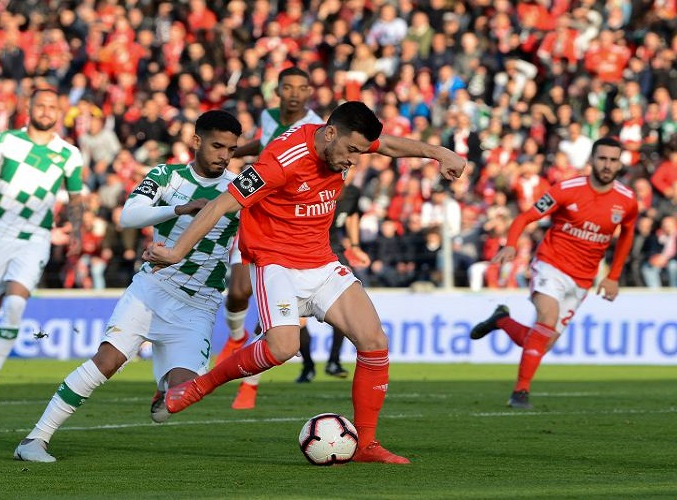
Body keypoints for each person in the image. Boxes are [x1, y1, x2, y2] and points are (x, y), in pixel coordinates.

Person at [145, 101, 465, 464]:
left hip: (320, 261)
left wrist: (439, 153)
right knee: (283, 347)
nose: (354, 160)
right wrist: (176, 253)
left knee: (375, 341)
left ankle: (366, 446)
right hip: (275, 262)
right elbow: (221, 205)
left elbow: (388, 145)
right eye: (351, 151)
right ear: (330, 134)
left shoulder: (343, 139)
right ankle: (197, 387)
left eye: (360, 152)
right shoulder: (281, 160)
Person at [14, 110, 243, 462]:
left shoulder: (238, 191)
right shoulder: (167, 176)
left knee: (182, 395)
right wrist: (180, 208)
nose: (224, 156)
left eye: (230, 149)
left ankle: (164, 386)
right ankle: (35, 440)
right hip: (152, 289)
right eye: (217, 146)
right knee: (107, 361)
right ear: (196, 141)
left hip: (199, 304)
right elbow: (128, 215)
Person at [220, 66, 362, 411]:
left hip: (287, 226)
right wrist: (236, 152)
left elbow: (335, 168)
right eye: (288, 87)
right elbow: (267, 144)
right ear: (278, 91)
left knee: (275, 318)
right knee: (238, 290)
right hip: (257, 210)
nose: (295, 94)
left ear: (309, 92)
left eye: (302, 87)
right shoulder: (269, 117)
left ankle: (249, 386)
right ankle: (236, 338)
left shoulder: (315, 126)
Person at [470, 137, 638, 409]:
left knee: (541, 343)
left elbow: (628, 235)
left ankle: (501, 320)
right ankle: (520, 393)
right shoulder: (567, 189)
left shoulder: (627, 200)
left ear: (620, 163)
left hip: (583, 278)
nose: (607, 165)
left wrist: (614, 275)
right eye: (603, 158)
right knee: (546, 319)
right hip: (552, 264)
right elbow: (525, 218)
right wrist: (511, 245)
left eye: (613, 160)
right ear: (592, 161)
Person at [0, 87, 85, 405]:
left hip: (35, 238)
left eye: (52, 106)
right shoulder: (6, 140)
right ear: (28, 108)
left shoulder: (69, 153)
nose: (46, 111)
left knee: (15, 305)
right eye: (40, 105)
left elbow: (74, 198)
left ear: (60, 112)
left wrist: (77, 231)